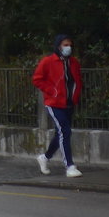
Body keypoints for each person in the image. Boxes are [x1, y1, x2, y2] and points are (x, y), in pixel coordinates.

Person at [33, 33, 84, 177]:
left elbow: (76, 80)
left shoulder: (73, 62)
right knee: (65, 131)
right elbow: (37, 79)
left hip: (68, 102)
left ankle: (45, 157)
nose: (68, 48)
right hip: (54, 102)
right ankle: (69, 166)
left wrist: (75, 95)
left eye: (70, 45)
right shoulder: (48, 61)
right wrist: (52, 91)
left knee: (61, 132)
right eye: (65, 45)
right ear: (58, 46)